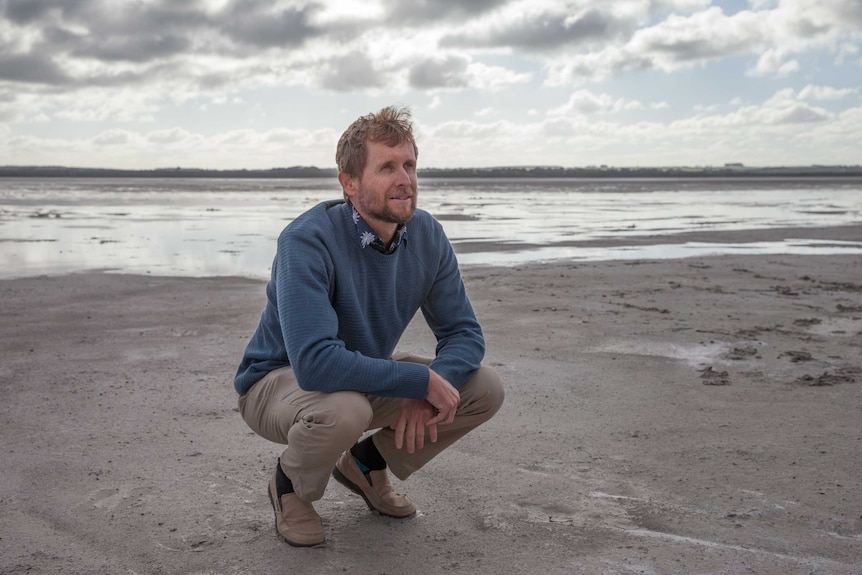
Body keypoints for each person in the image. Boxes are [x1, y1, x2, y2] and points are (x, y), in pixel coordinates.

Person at [233, 106, 504, 547]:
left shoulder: (427, 235)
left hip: (356, 377)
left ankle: (365, 464)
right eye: (387, 167)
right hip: (277, 383)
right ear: (349, 182)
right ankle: (291, 488)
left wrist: (430, 387)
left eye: (410, 165)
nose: (405, 179)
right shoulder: (307, 240)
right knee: (346, 410)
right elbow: (316, 364)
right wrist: (417, 381)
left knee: (482, 387)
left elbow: (464, 334)